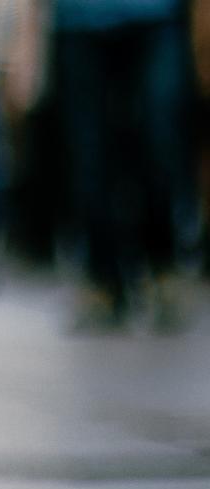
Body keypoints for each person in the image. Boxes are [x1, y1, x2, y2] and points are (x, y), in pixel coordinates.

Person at [51, 0, 193, 331]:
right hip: (78, 18)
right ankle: (102, 278)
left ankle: (161, 267)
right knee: (89, 153)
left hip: (156, 14)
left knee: (161, 140)